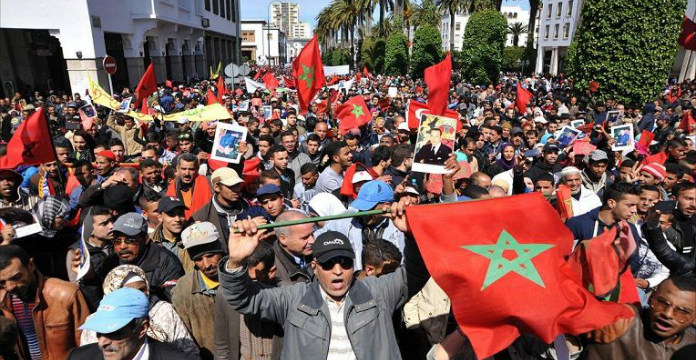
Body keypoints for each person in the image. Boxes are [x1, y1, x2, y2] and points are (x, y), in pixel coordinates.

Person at [218, 197, 429, 359]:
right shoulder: (294, 298)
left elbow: (416, 273)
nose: (337, 270)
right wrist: (236, 262)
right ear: (315, 267)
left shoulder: (377, 292)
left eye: (345, 262)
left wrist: (412, 233)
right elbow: (244, 299)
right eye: (328, 264)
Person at [79, 265, 198, 357]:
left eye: (142, 289)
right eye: (128, 291)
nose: (138, 295)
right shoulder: (94, 322)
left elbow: (189, 351)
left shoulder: (163, 311)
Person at [0, 245, 89, 359]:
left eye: (16, 277)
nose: (10, 287)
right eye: (2, 282)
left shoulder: (66, 294)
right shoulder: (2, 303)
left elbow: (86, 344)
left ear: (31, 265)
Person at [583, 275, 695, 360]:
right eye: (661, 303)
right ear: (651, 297)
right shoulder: (621, 320)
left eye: (682, 312)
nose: (667, 314)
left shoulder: (691, 347)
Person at [68, 287, 188, 359]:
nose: (102, 342)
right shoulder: (79, 357)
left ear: (142, 329)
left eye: (114, 332)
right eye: (99, 332)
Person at [214, 241, 283, 360]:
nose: (248, 285)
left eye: (254, 280)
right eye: (244, 279)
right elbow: (222, 345)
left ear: (271, 272)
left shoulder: (285, 295)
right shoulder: (225, 294)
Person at [96, 212, 184, 301]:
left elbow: (175, 300)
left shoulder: (166, 262)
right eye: (117, 241)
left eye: (130, 240)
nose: (122, 246)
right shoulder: (110, 263)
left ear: (146, 239)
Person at [171, 222, 227, 359]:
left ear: (221, 250)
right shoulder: (182, 290)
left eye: (211, 255)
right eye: (198, 259)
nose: (207, 265)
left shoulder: (240, 277)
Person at [323, 180, 405, 270]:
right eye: (360, 206)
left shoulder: (401, 226)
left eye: (368, 208)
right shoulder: (347, 219)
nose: (362, 212)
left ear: (387, 206)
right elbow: (317, 236)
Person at [272, 209, 315, 285]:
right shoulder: (272, 268)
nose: (312, 241)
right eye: (305, 237)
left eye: (312, 234)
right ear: (283, 239)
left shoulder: (319, 252)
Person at [151, 196, 193, 272]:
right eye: (171, 214)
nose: (177, 219)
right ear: (160, 217)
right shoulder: (150, 242)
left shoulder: (194, 236)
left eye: (181, 214)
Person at [165, 153, 212, 219]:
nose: (187, 173)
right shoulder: (172, 187)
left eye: (191, 169)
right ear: (177, 169)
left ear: (197, 169)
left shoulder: (208, 184)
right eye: (184, 169)